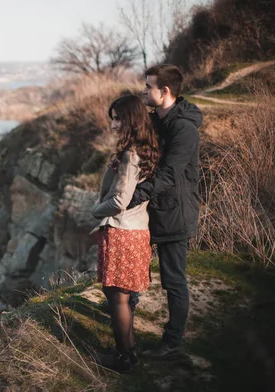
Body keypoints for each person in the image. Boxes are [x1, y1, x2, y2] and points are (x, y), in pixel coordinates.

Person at [128, 64, 203, 358]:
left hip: (175, 212)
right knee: (133, 266)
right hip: (150, 210)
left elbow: (170, 174)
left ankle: (172, 343)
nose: (144, 91)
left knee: (173, 280)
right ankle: (124, 317)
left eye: (149, 87)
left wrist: (135, 196)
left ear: (165, 91)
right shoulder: (154, 121)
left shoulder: (184, 129)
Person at [91, 94, 160, 372]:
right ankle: (128, 350)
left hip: (123, 232)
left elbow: (119, 201)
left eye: (117, 118)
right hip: (134, 230)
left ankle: (123, 358)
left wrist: (96, 210)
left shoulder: (132, 154)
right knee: (122, 295)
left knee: (117, 296)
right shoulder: (143, 149)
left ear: (131, 120)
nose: (113, 125)